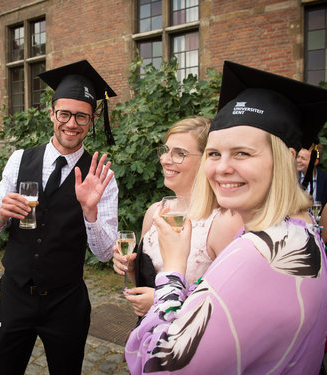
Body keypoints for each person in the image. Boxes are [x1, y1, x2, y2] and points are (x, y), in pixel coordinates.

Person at [125, 61, 327, 374]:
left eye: (243, 153)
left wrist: (174, 272)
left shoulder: (258, 253)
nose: (222, 168)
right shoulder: (300, 231)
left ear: (287, 158)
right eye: (215, 154)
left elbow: (159, 363)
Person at [0, 60, 119, 375]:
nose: (72, 123)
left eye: (82, 115)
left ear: (93, 119)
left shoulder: (102, 177)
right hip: (14, 294)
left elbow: (103, 252)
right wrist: (2, 215)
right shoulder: (19, 160)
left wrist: (90, 212)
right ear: (51, 113)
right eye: (64, 114)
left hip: (65, 302)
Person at [113, 117, 242, 317]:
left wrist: (160, 302)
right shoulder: (154, 213)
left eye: (179, 153)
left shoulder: (223, 222)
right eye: (165, 151)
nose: (165, 160)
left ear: (208, 160)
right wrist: (130, 268)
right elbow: (144, 285)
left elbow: (232, 306)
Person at [297, 145, 327, 210]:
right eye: (298, 157)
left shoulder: (324, 179)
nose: (298, 160)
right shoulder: (292, 177)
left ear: (315, 162)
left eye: (303, 158)